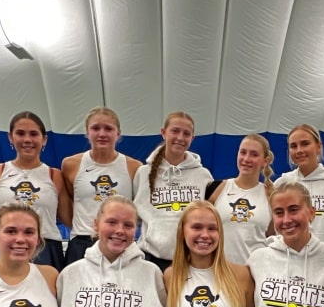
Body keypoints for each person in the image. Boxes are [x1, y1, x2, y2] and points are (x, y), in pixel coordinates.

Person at [0, 112, 69, 270]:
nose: (27, 139)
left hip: (46, 248)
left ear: (44, 140)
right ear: (10, 137)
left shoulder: (55, 175)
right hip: (5, 248)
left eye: (33, 134)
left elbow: (69, 219)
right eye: (20, 133)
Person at [133, 112, 214, 271]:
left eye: (186, 133)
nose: (180, 137)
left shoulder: (203, 175)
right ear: (163, 133)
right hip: (149, 258)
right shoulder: (143, 173)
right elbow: (134, 214)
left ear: (192, 138)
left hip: (188, 259)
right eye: (175, 131)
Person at [60, 107, 140, 264]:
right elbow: (70, 202)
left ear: (118, 133)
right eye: (96, 128)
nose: (102, 134)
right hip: (82, 241)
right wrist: (85, 228)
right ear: (87, 132)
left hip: (119, 242)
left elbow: (136, 207)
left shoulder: (134, 166)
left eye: (108, 128)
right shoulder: (71, 164)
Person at [274, 124, 324, 244]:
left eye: (305, 144)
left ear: (318, 146)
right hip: (291, 258)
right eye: (293, 146)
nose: (299, 150)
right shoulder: (281, 184)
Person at [208, 133, 275, 264]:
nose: (246, 159)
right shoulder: (217, 189)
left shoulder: (271, 195)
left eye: (254, 155)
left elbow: (272, 236)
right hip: (219, 272)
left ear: (265, 161)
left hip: (254, 273)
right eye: (243, 152)